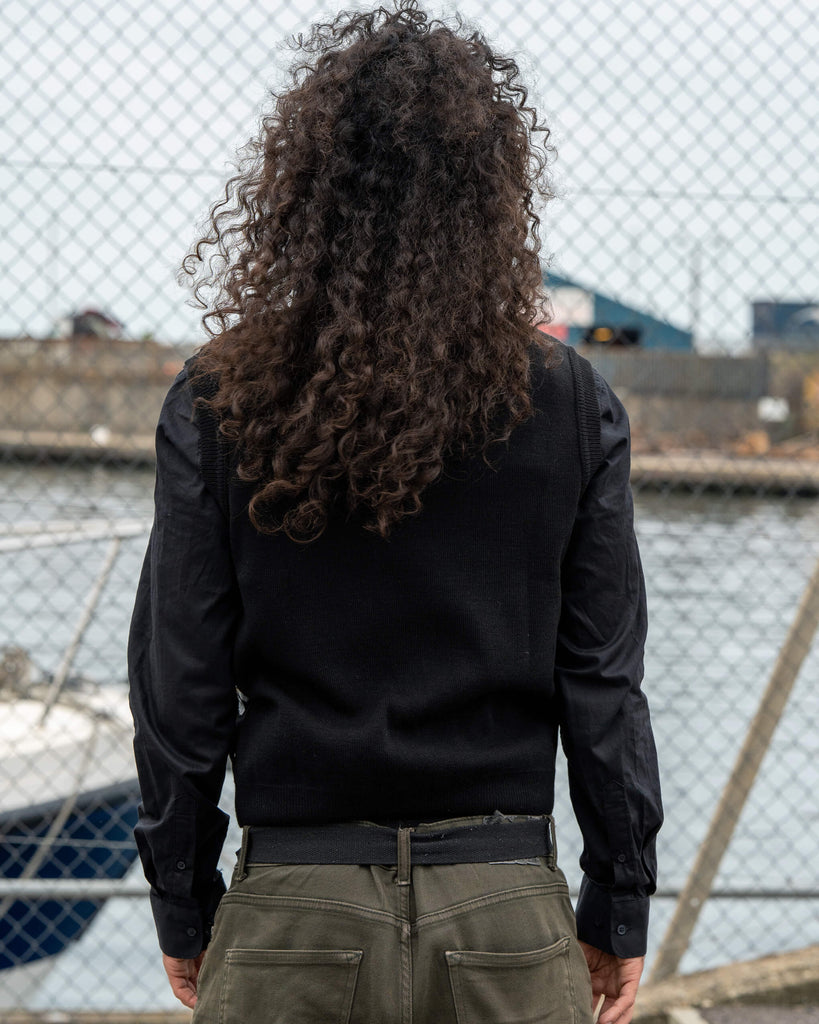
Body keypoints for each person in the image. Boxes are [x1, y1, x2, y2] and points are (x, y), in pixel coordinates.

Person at [128, 3, 663, 1023]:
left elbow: (180, 688)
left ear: (302, 193)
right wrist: (619, 896)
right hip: (506, 905)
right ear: (492, 199)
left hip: (293, 908)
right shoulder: (571, 402)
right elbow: (603, 685)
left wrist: (182, 901)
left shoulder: (220, 397)